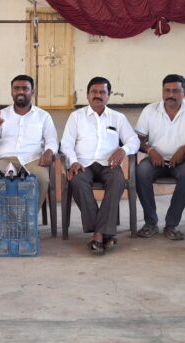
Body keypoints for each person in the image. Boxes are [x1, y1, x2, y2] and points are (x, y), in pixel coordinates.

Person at [60, 76, 140, 255]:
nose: (98, 95)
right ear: (87, 95)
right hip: (83, 163)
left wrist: (124, 150)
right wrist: (73, 161)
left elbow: (133, 140)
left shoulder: (118, 118)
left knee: (117, 180)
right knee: (77, 181)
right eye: (94, 92)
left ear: (108, 95)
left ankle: (98, 234)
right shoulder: (76, 117)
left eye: (102, 92)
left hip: (109, 164)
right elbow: (66, 143)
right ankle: (105, 233)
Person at [135, 74, 185, 240]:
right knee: (140, 171)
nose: (170, 95)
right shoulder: (150, 110)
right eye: (167, 90)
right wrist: (150, 150)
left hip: (182, 162)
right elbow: (137, 139)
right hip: (155, 160)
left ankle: (172, 224)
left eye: (176, 91)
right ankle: (150, 222)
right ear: (162, 91)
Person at [0, 74, 58, 206]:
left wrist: (49, 151)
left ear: (32, 92)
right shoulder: (1, 115)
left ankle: (29, 216)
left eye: (25, 88)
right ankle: (4, 216)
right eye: (16, 88)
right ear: (11, 92)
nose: (20, 92)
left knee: (42, 179)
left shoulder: (43, 116)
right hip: (6, 160)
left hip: (34, 160)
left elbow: (52, 139)